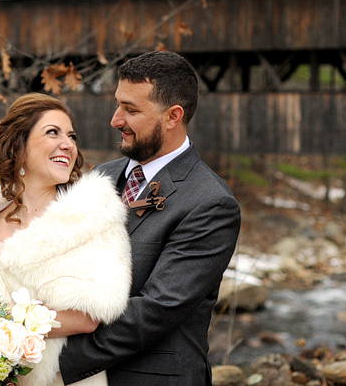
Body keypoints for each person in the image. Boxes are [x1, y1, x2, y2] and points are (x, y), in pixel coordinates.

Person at [60, 51, 242, 386]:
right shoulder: (102, 176)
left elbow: (156, 310)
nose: (115, 119)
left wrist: (53, 360)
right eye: (117, 104)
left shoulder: (211, 203)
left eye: (130, 109)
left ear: (173, 116)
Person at [0, 93, 132, 386]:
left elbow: (89, 315)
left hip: (64, 380)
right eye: (52, 133)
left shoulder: (92, 214)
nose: (67, 144)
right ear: (18, 146)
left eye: (71, 135)